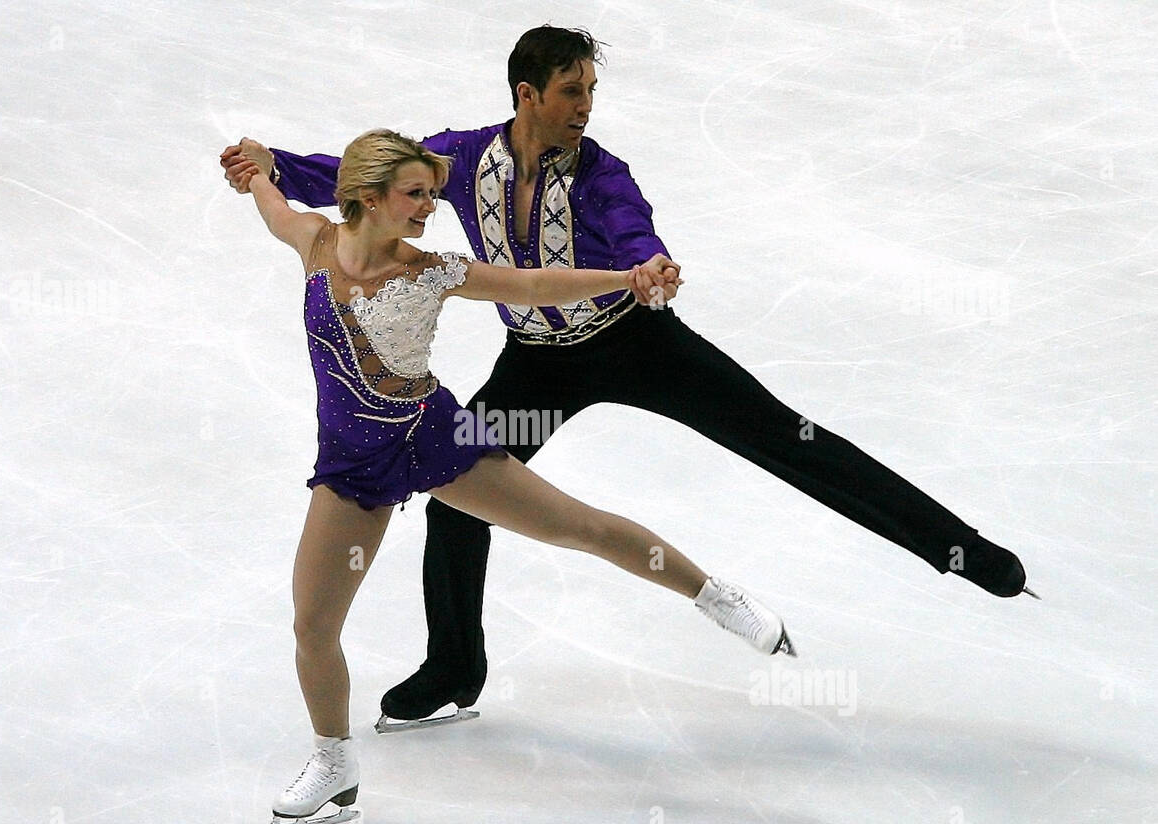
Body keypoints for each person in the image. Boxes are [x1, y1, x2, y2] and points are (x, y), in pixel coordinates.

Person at [222, 26, 1036, 731]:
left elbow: (631, 232)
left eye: (592, 92)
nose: (585, 106)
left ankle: (965, 551)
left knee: (787, 437)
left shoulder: (603, 174)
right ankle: (455, 667)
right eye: (571, 91)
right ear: (527, 92)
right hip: (536, 367)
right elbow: (367, 177)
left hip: (641, 345)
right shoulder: (463, 159)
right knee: (454, 499)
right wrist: (274, 165)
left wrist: (645, 266)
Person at [234, 129, 793, 824]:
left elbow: (532, 286)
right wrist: (257, 167)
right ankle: (334, 762)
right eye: (415, 194)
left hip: (435, 434)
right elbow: (272, 204)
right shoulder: (314, 242)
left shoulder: (431, 270)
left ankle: (713, 594)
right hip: (351, 464)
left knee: (576, 525)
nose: (429, 207)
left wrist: (625, 277)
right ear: (367, 199)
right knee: (313, 623)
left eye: (432, 194)